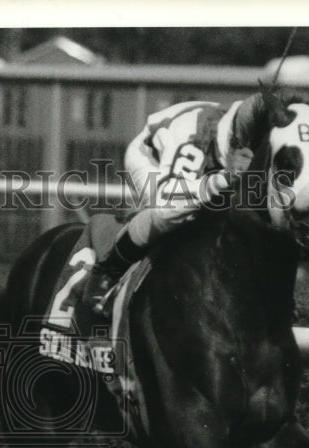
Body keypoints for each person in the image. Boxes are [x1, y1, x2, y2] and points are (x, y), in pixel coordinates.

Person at [82, 99, 256, 314]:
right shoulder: (194, 136)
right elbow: (168, 199)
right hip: (153, 161)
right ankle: (108, 271)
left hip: (213, 160)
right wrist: (222, 179)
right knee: (172, 214)